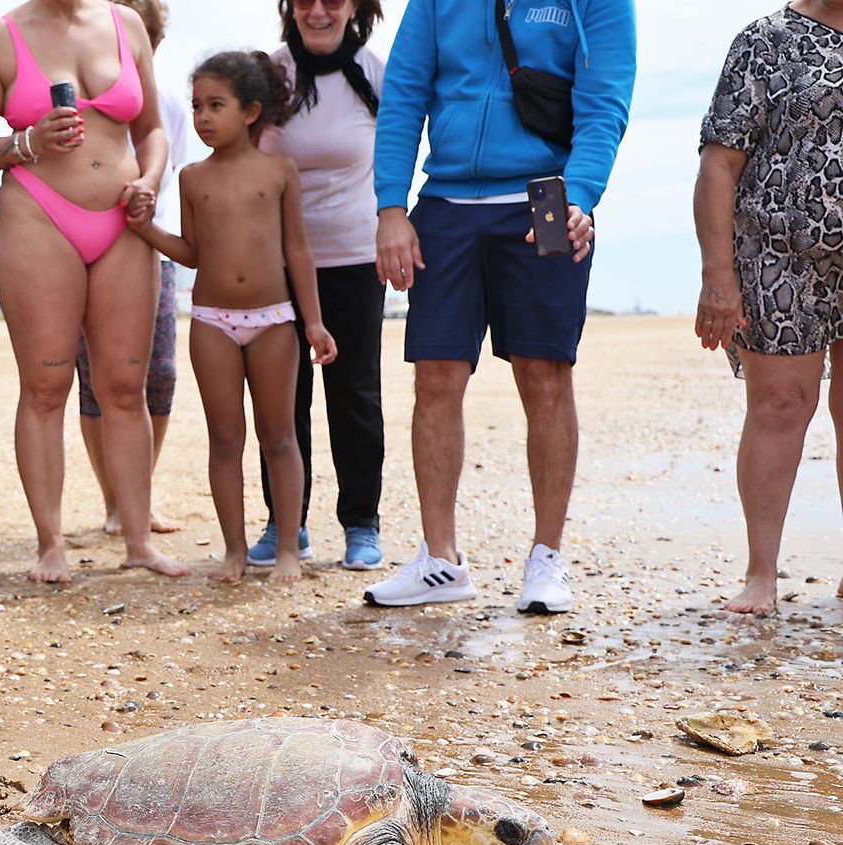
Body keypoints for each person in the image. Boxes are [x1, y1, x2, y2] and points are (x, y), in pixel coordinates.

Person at [363, 0, 635, 613]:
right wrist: (390, 208)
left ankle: (546, 558)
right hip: (446, 203)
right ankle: (440, 561)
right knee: (434, 377)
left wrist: (583, 196)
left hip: (545, 195)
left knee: (544, 377)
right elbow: (404, 94)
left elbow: (604, 105)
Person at [0, 0, 187, 583]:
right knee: (46, 386)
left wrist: (150, 181)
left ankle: (139, 542)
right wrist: (26, 142)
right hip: (39, 218)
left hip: (125, 221)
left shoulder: (126, 23)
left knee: (124, 388)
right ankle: (50, 546)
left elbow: (153, 129)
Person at [127, 51, 335, 583]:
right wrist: (148, 230)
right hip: (212, 320)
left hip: (274, 320)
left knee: (280, 435)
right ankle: (234, 552)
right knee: (225, 437)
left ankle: (288, 548)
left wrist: (312, 322)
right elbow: (194, 252)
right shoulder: (192, 177)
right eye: (196, 105)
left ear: (250, 111)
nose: (201, 117)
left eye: (216, 105)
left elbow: (299, 251)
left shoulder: (279, 171)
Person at [695, 1, 843, 615]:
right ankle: (761, 575)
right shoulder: (766, 39)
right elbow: (719, 163)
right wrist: (718, 275)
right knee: (782, 405)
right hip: (779, 250)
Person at [255, 0, 386, 572]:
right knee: (283, 399)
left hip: (356, 257)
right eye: (304, 0)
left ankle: (361, 523)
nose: (317, 10)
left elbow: (402, 154)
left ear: (355, 6)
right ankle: (287, 521)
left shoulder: (378, 72)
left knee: (354, 394)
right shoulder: (270, 74)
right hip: (275, 261)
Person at [76, 0, 182, 537]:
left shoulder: (178, 108)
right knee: (93, 379)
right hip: (84, 247)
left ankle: (137, 491)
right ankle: (113, 500)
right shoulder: (83, 94)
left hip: (153, 251)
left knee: (157, 376)